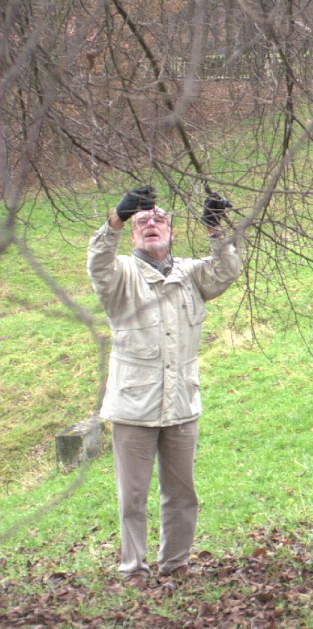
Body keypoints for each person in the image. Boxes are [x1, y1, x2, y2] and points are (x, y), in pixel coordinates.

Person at [87, 186, 241, 581]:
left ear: (171, 232)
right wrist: (115, 220)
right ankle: (133, 570)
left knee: (182, 493)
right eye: (143, 222)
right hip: (133, 406)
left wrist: (214, 228)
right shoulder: (121, 274)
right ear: (134, 235)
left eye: (159, 220)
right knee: (133, 497)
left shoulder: (190, 274)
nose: (151, 224)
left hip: (181, 404)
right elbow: (98, 262)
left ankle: (175, 565)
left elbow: (227, 270)